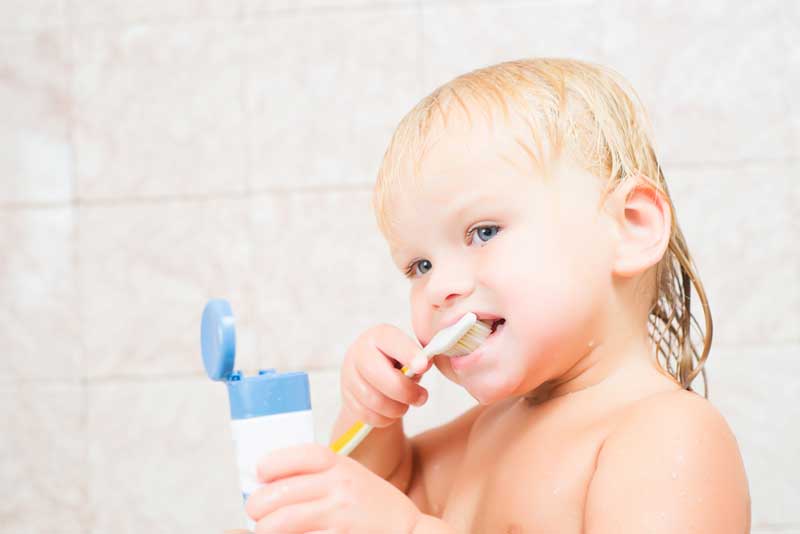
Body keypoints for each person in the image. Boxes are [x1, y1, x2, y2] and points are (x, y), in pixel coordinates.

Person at [229, 58, 750, 533]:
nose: (439, 287)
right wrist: (373, 419)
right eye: (420, 265)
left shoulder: (668, 434)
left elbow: (397, 518)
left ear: (629, 228)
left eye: (483, 232)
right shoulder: (494, 427)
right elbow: (391, 492)